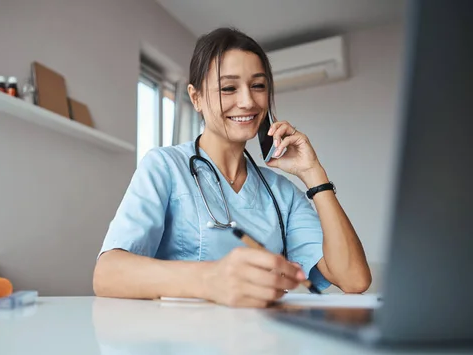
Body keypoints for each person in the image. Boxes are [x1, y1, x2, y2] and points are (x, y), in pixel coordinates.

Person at [93, 27, 371, 307]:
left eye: (258, 86)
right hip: (183, 343)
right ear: (196, 97)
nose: (248, 101)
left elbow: (353, 279)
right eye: (228, 88)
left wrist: (313, 174)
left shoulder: (281, 194)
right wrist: (211, 278)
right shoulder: (165, 166)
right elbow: (107, 274)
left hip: (262, 341)